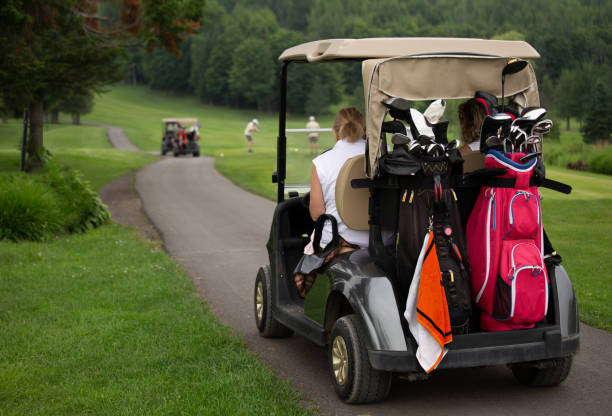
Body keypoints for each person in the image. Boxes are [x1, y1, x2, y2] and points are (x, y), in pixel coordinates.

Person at [293, 107, 368, 297]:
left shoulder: (322, 162)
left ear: (335, 132)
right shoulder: (384, 156)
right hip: (383, 238)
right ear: (365, 130)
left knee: (314, 239)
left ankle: (304, 293)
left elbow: (317, 213)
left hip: (341, 239)